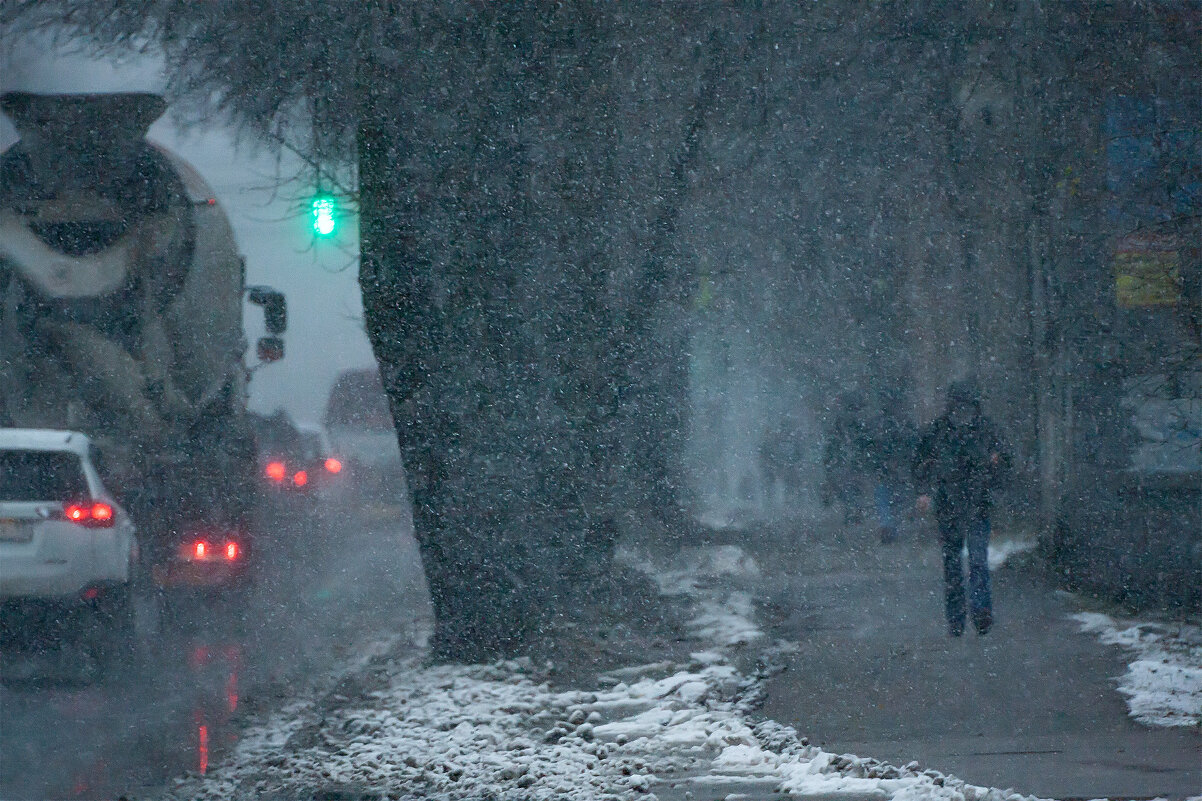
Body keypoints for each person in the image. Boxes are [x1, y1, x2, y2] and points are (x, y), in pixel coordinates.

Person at [913, 380, 1010, 636]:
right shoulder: (941, 431)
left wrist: (995, 474)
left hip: (973, 502)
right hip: (954, 503)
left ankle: (976, 613)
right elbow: (923, 462)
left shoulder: (983, 430)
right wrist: (923, 490)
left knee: (969, 560)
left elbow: (1004, 460)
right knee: (960, 562)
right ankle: (965, 616)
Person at [865, 390, 916, 543]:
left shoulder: (881, 425)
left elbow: (872, 448)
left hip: (894, 471)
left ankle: (889, 526)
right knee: (889, 498)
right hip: (893, 471)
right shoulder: (904, 425)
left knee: (888, 499)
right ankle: (889, 526)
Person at [821, 392, 870, 524]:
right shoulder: (838, 428)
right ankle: (852, 511)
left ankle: (854, 511)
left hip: (852, 464)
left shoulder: (857, 427)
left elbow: (863, 444)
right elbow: (831, 447)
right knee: (847, 489)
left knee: (852, 489)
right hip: (843, 464)